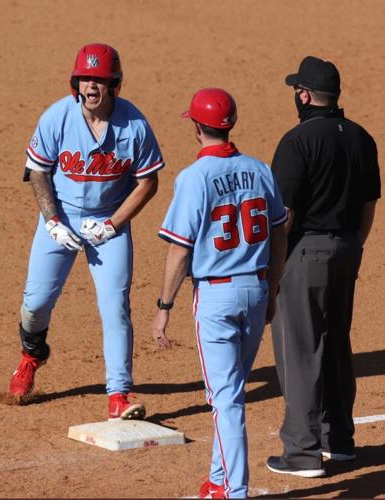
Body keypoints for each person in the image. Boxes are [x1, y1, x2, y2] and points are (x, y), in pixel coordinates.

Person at [9, 43, 165, 420]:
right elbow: (39, 172)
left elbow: (148, 183)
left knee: (115, 308)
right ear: (74, 82)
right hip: (59, 218)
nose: (91, 86)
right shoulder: (56, 118)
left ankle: (119, 395)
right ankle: (32, 354)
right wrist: (52, 221)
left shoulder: (135, 127)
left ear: (115, 85)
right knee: (36, 305)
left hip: (109, 223)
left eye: (99, 79)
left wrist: (112, 225)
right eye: (85, 78)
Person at [152, 88, 288, 498]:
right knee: (232, 390)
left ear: (196, 127)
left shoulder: (194, 178)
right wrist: (273, 290)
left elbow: (180, 250)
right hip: (257, 288)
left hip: (216, 298)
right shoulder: (260, 169)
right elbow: (280, 233)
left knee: (226, 399)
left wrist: (164, 306)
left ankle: (234, 490)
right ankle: (217, 480)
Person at [266, 56, 381, 478]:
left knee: (299, 352)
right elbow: (369, 205)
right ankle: (341, 440)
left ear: (304, 95)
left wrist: (272, 267)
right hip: (349, 248)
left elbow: (286, 215)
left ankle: (301, 452)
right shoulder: (361, 137)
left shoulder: (297, 142)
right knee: (335, 344)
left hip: (304, 255)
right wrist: (352, 249)